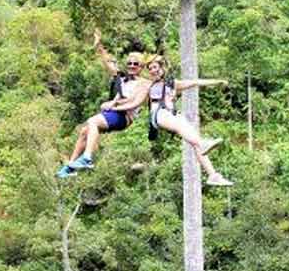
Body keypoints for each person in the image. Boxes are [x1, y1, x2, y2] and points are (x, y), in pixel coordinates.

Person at [110, 55, 234, 187]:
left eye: (155, 67)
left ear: (162, 68)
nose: (153, 70)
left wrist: (218, 81)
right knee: (185, 130)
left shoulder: (172, 84)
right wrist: (114, 105)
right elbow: (134, 101)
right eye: (150, 68)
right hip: (158, 114)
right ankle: (202, 143)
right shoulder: (147, 85)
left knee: (194, 141)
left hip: (172, 114)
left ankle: (212, 175)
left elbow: (195, 82)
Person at [57, 30, 150, 178]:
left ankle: (87, 157)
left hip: (124, 116)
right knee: (84, 131)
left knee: (93, 121)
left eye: (136, 64)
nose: (132, 66)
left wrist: (112, 104)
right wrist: (98, 45)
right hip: (113, 112)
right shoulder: (121, 78)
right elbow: (108, 61)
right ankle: (70, 167)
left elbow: (133, 101)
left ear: (141, 66)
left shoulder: (144, 83)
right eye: (130, 63)